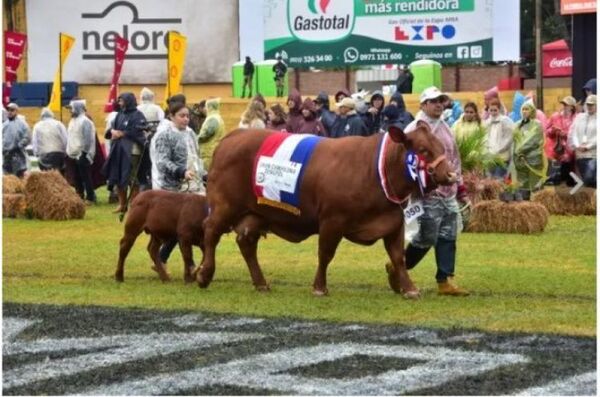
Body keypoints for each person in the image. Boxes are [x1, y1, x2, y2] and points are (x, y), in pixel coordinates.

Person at [403, 86, 470, 296]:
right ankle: (400, 267)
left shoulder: (445, 127)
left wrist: (460, 187)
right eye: (434, 101)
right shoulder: (413, 129)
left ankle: (445, 280)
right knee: (427, 236)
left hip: (448, 190)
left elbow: (454, 159)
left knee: (449, 234)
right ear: (423, 104)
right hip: (427, 192)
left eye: (441, 100)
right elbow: (404, 161)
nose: (439, 104)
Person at [151, 100, 206, 276]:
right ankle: (176, 261)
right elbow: (162, 161)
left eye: (188, 116)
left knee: (196, 222)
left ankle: (164, 257)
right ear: (171, 116)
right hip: (172, 187)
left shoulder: (191, 133)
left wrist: (204, 174)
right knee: (181, 228)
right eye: (182, 116)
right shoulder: (164, 135)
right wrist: (180, 171)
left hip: (194, 185)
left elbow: (195, 157)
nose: (186, 119)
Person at [102, 92, 148, 213]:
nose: (120, 103)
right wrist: (112, 132)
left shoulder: (138, 115)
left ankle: (135, 206)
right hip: (118, 150)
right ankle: (122, 205)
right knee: (118, 177)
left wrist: (123, 133)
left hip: (133, 152)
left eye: (122, 100)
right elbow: (111, 128)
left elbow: (141, 130)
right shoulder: (119, 115)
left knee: (133, 180)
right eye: (119, 100)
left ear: (128, 101)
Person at [510, 100, 546, 199]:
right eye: (523, 109)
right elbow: (514, 139)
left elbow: (533, 140)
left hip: (533, 158)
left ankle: (539, 202)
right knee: (522, 182)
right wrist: (516, 153)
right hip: (520, 159)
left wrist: (520, 149)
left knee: (535, 182)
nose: (525, 111)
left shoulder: (537, 124)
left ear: (532, 111)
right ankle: (525, 202)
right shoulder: (517, 124)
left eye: (527, 109)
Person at [66, 100, 97, 204]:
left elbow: (87, 139)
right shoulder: (72, 121)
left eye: (71, 108)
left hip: (82, 154)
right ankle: (79, 196)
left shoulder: (85, 121)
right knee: (76, 177)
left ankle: (90, 198)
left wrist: (84, 153)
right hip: (73, 154)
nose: (70, 111)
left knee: (86, 177)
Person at [544, 96, 577, 186]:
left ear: (572, 107)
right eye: (563, 104)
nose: (564, 106)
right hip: (557, 151)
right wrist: (553, 131)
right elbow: (546, 131)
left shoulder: (576, 118)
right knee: (559, 177)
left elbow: (579, 134)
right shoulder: (555, 116)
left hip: (571, 151)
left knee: (570, 179)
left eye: (566, 104)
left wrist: (566, 135)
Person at [568, 94, 596, 188]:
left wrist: (588, 146)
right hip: (580, 154)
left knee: (589, 177)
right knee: (587, 180)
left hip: (594, 154)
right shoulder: (579, 117)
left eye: (592, 104)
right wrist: (577, 145)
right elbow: (574, 132)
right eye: (588, 104)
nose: (590, 106)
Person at [484, 98, 514, 179]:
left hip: (502, 157)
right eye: (491, 110)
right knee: (490, 179)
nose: (493, 112)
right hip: (490, 157)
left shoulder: (506, 121)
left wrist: (498, 150)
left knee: (499, 179)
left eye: (495, 110)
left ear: (499, 109)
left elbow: (508, 138)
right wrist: (488, 150)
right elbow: (485, 138)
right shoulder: (487, 122)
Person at [31, 107, 67, 172]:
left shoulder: (37, 125)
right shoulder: (59, 124)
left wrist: (36, 153)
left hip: (44, 155)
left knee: (47, 178)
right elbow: (65, 139)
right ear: (52, 115)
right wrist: (65, 152)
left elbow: (34, 141)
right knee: (59, 176)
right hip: (58, 154)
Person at [2, 102, 30, 177]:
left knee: (19, 177)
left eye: (12, 110)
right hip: (6, 156)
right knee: (8, 178)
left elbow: (27, 137)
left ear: (16, 111)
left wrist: (19, 145)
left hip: (18, 155)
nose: (10, 112)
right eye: (8, 110)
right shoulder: (4, 125)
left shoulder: (22, 124)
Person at [197, 97, 225, 170]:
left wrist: (197, 139)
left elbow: (206, 133)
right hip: (214, 151)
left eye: (206, 107)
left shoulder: (212, 119)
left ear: (210, 107)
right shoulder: (217, 117)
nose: (205, 109)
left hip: (209, 153)